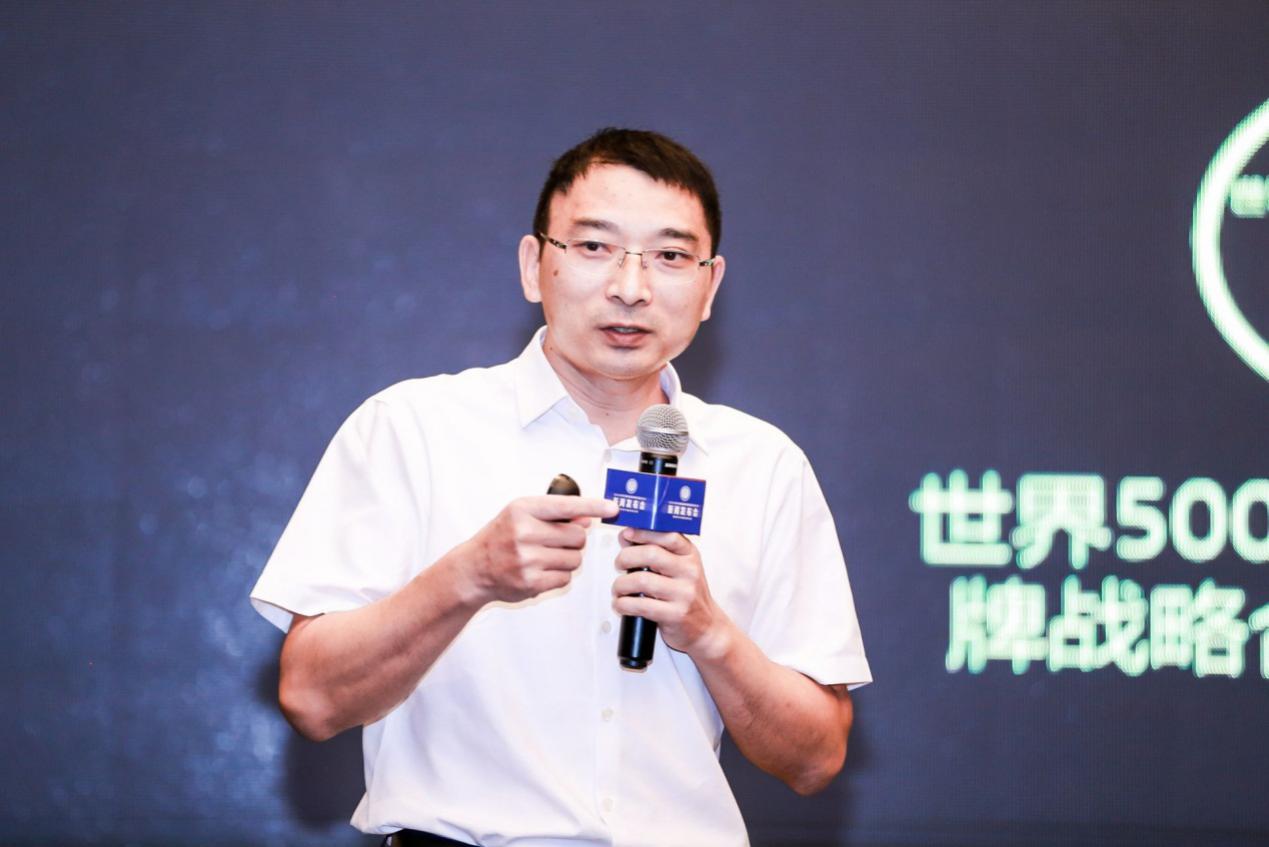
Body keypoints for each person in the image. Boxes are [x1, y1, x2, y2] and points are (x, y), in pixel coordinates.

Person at [251, 128, 871, 847]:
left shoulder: (763, 464)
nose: (631, 288)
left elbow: (816, 758)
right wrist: (468, 576)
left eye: (670, 256)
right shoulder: (411, 428)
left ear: (710, 286)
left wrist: (709, 634)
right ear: (533, 264)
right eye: (594, 246)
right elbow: (310, 696)